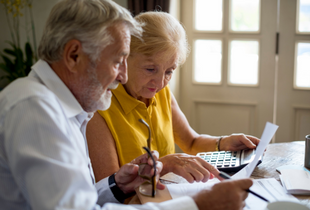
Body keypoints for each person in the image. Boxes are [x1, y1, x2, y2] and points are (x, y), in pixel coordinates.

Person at [0, 0, 253, 209]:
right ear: (73, 55)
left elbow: (83, 200)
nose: (122, 76)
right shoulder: (35, 109)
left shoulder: (66, 110)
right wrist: (199, 204)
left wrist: (117, 185)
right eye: (117, 61)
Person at [86, 11, 261, 183]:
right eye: (150, 69)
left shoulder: (161, 92)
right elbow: (109, 188)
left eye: (169, 71)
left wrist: (224, 143)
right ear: (125, 58)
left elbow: (191, 142)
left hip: (169, 196)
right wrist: (164, 165)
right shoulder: (100, 107)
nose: (160, 82)